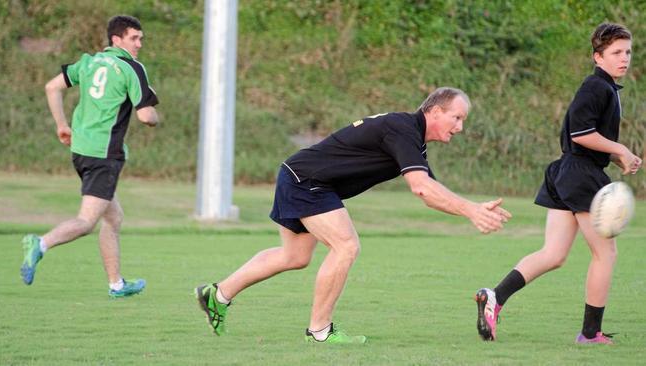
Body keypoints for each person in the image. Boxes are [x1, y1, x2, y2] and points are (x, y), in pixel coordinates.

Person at [195, 87, 511, 344]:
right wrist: (470, 209)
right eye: (456, 117)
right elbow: (421, 188)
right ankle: (319, 331)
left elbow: (429, 189)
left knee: (294, 256)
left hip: (298, 175)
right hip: (308, 182)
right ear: (436, 111)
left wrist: (470, 207)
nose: (460, 127)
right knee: (346, 245)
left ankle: (217, 294)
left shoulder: (409, 136)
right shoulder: (403, 129)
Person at [475, 23, 642, 344]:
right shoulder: (597, 86)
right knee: (605, 254)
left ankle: (494, 297)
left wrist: (617, 157)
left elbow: (585, 138)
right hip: (579, 173)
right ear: (598, 57)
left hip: (568, 170)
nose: (625, 59)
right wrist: (619, 148)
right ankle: (591, 333)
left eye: (628, 52)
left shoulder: (605, 88)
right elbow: (580, 133)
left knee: (554, 253)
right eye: (616, 53)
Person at [20, 15, 159, 298]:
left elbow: (51, 87)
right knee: (86, 222)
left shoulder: (89, 62)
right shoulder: (131, 67)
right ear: (116, 40)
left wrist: (61, 125)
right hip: (104, 156)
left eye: (141, 38)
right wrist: (155, 113)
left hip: (81, 151)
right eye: (134, 38)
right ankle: (40, 243)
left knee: (113, 218)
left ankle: (116, 284)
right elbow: (146, 117)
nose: (139, 44)